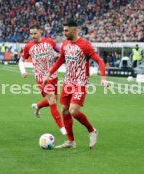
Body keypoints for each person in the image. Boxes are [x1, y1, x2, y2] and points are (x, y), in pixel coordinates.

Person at [44, 20, 108, 149]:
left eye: (67, 30)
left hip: (80, 82)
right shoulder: (66, 44)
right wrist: (49, 73)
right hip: (68, 82)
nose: (65, 33)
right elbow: (60, 60)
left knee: (73, 110)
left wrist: (103, 78)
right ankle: (71, 141)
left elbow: (99, 61)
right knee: (65, 111)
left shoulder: (85, 45)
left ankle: (92, 131)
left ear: (75, 30)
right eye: (64, 30)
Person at [18, 25, 66, 135]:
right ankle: (63, 129)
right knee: (52, 101)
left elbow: (60, 51)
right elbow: (21, 61)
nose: (33, 36)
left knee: (54, 100)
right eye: (31, 34)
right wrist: (23, 71)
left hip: (53, 75)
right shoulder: (28, 46)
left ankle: (37, 106)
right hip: (41, 78)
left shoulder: (49, 42)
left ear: (40, 32)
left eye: (35, 33)